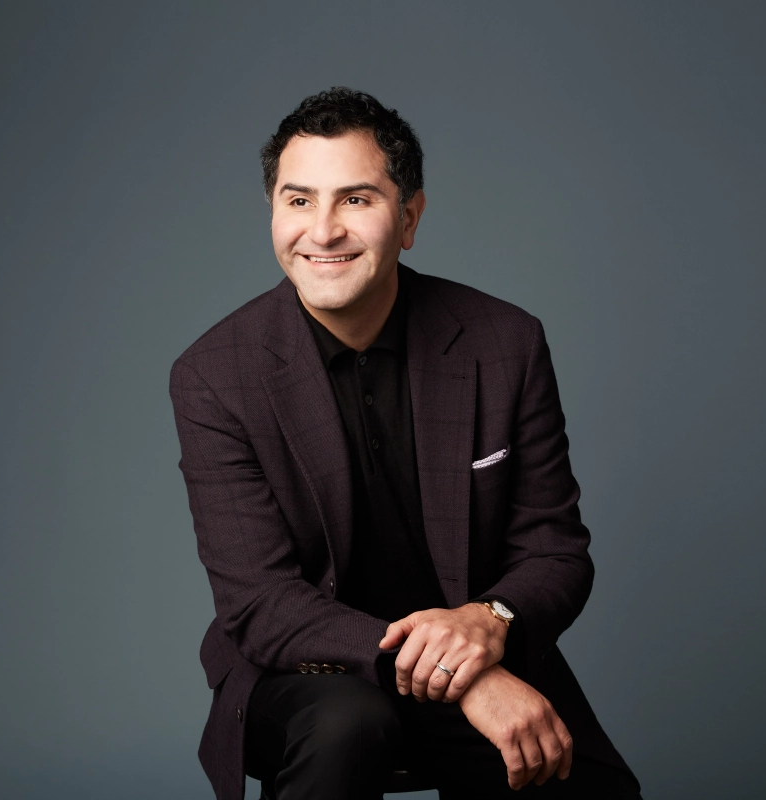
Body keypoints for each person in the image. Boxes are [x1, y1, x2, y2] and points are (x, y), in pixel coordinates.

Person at [170, 87, 640, 800]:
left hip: (475, 647)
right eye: (298, 201)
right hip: (309, 673)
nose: (322, 230)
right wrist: (465, 676)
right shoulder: (214, 375)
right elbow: (262, 603)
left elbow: (554, 551)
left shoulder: (503, 343)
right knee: (348, 727)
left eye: (355, 199)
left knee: (589, 786)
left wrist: (489, 621)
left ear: (410, 217)